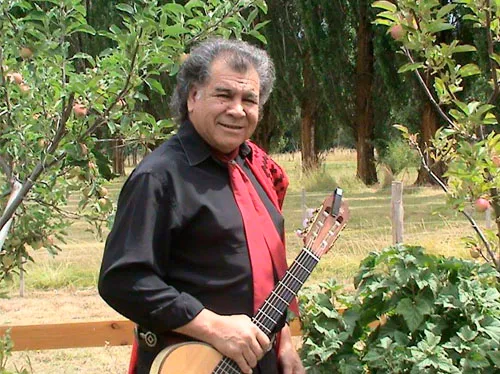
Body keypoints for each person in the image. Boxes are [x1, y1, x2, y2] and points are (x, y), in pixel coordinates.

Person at [98, 38, 305, 374]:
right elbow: (123, 280)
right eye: (224, 95)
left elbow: (264, 273)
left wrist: (284, 343)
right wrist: (212, 326)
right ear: (193, 96)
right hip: (191, 365)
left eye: (249, 100)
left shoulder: (255, 169)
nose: (237, 110)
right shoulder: (159, 176)